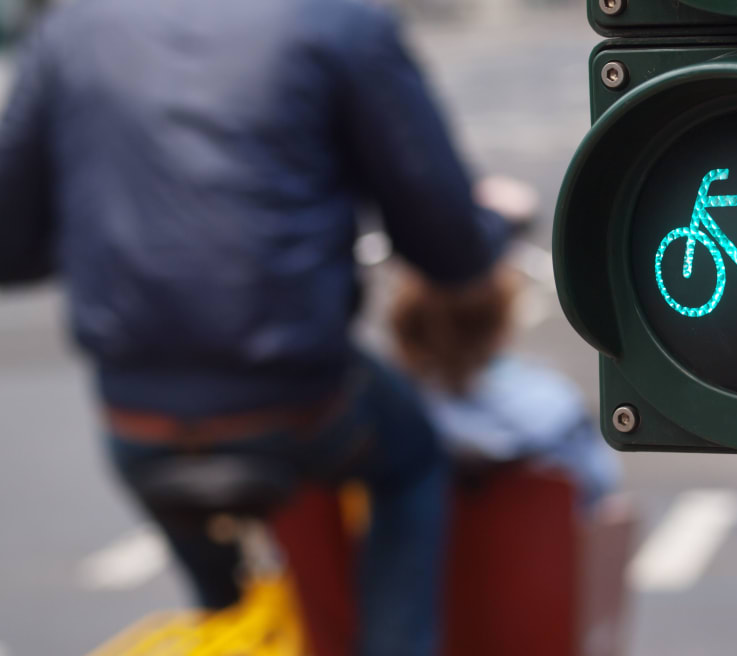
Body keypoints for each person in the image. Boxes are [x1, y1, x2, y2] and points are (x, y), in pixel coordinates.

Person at [0, 1, 506, 654]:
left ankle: (228, 614)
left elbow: (9, 243)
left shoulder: (70, 30)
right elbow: (445, 244)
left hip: (136, 419)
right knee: (411, 464)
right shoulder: (340, 22)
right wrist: (495, 223)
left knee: (225, 603)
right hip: (301, 401)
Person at [390, 266, 619, 510]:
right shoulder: (556, 404)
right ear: (501, 320)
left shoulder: (389, 416)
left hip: (421, 544)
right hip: (535, 544)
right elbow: (598, 485)